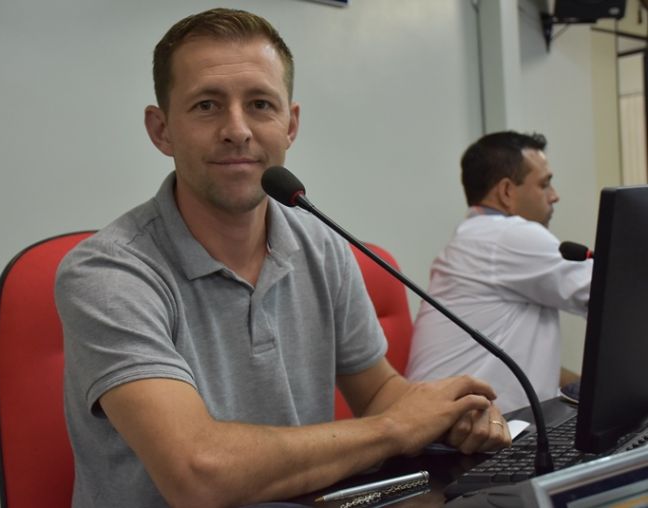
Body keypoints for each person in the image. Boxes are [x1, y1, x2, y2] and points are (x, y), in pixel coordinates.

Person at [55, 8, 510, 508]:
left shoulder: (321, 244)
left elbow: (379, 393)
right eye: (207, 105)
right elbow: (197, 474)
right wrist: (396, 428)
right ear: (162, 130)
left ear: (289, 124)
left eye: (260, 104)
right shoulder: (108, 274)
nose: (237, 129)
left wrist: (450, 417)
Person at [406, 131, 593, 414]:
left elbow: (521, 358)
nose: (554, 196)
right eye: (544, 184)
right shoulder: (506, 236)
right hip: (462, 433)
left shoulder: (478, 238)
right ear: (506, 191)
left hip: (455, 424)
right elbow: (616, 292)